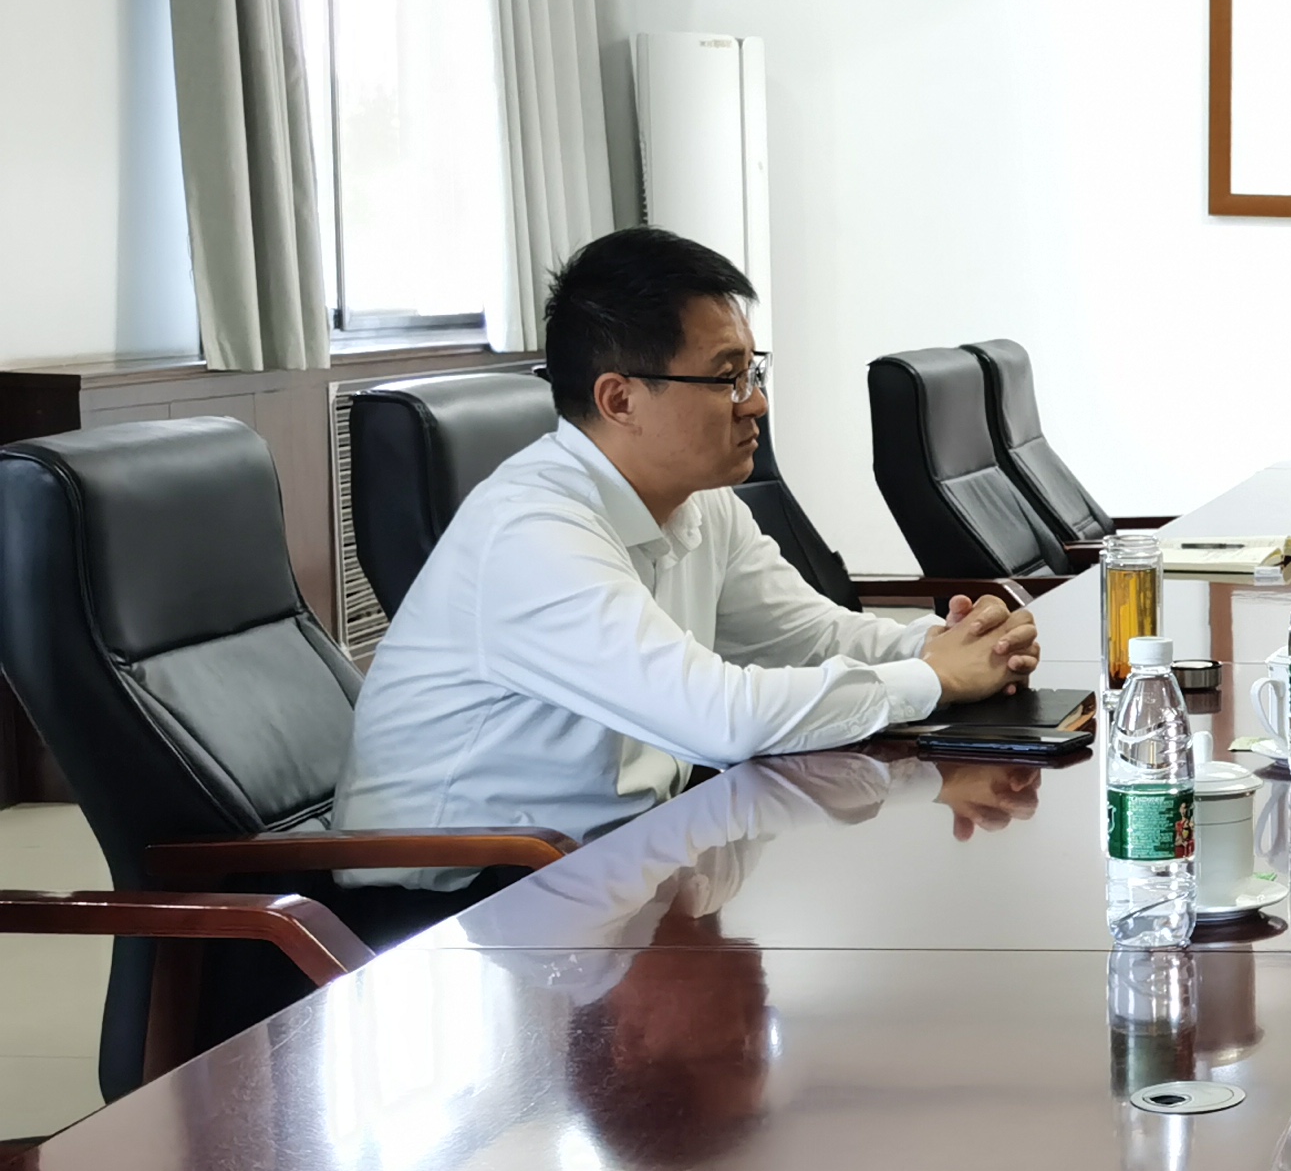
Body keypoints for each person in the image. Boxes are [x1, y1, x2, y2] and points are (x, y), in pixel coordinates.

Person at [336, 227, 1040, 858]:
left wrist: (947, 644)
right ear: (619, 400)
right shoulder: (531, 533)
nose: (756, 402)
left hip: (616, 861)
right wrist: (936, 677)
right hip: (460, 902)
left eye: (753, 372)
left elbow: (811, 637)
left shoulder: (701, 504)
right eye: (727, 378)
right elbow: (723, 716)